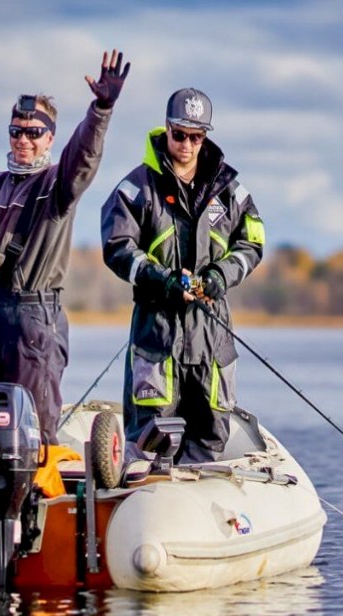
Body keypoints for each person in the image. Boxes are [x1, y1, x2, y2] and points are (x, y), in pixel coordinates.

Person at [0, 50, 130, 444]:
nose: (23, 140)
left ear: (50, 137)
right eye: (16, 131)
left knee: (32, 434)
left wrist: (101, 108)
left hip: (35, 322)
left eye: (33, 132)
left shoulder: (57, 185)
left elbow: (84, 158)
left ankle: (38, 496)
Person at [101, 88, 265, 463]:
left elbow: (252, 243)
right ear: (167, 129)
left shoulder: (231, 191)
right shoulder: (137, 188)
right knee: (151, 439)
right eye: (180, 134)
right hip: (157, 333)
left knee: (210, 435)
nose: (187, 145)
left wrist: (219, 277)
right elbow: (117, 247)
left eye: (196, 136)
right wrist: (162, 279)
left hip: (212, 333)